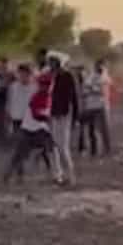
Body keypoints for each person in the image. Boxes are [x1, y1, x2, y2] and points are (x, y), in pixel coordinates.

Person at [3, 71, 53, 185]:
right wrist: (47, 117)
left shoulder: (46, 95)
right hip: (29, 128)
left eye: (48, 84)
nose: (46, 87)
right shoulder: (37, 96)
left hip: (39, 128)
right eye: (44, 84)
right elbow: (36, 114)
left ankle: (52, 172)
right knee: (19, 153)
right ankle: (10, 175)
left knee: (47, 151)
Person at [47, 51, 79, 187]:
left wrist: (76, 117)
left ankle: (70, 175)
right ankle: (58, 174)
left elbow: (74, 98)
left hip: (64, 114)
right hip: (54, 114)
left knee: (62, 146)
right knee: (54, 145)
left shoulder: (67, 76)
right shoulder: (53, 77)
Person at [79, 59, 111, 158]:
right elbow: (84, 90)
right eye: (97, 65)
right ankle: (94, 150)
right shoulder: (91, 76)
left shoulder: (105, 76)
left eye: (101, 66)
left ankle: (107, 149)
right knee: (92, 129)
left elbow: (102, 91)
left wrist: (92, 89)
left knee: (104, 129)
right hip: (91, 106)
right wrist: (94, 89)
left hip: (102, 106)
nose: (99, 67)